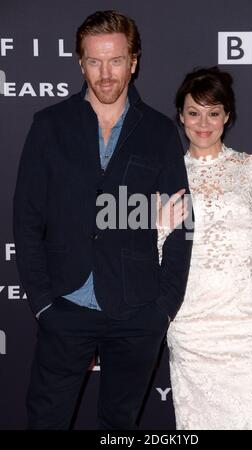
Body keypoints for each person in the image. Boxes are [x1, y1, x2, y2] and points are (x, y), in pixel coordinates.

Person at [13, 10, 193, 430]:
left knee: (119, 426)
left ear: (134, 61)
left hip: (137, 310)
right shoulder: (49, 125)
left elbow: (184, 223)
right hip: (65, 304)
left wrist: (164, 307)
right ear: (80, 63)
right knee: (46, 421)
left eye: (115, 61)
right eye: (94, 61)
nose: (105, 74)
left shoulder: (159, 131)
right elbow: (26, 219)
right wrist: (42, 303)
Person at [157, 67, 252, 430]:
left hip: (243, 324)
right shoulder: (165, 175)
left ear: (227, 116)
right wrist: (160, 227)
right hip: (189, 325)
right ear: (180, 115)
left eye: (213, 113)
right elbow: (149, 259)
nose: (203, 123)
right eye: (194, 112)